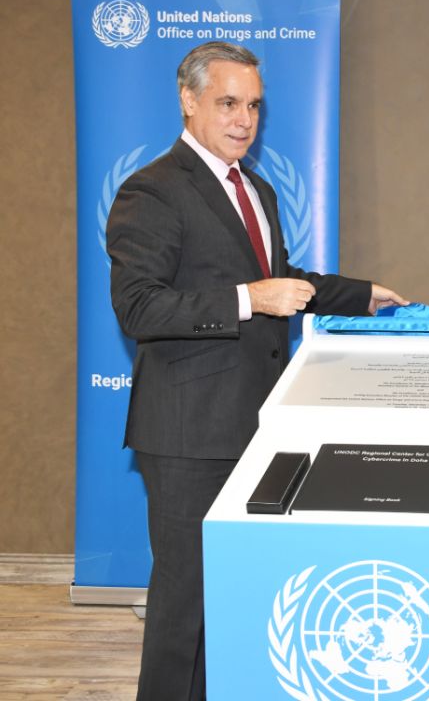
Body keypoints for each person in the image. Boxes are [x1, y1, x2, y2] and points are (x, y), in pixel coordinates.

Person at [107, 41, 406, 701]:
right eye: (228, 103)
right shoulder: (152, 190)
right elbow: (139, 306)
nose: (244, 120)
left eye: (253, 106)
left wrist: (360, 295)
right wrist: (249, 299)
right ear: (188, 102)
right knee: (184, 607)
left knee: (233, 598)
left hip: (254, 424)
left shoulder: (257, 188)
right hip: (188, 433)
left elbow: (279, 280)